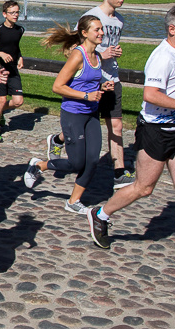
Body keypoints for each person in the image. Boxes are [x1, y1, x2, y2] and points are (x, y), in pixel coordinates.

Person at [86, 6, 175, 270]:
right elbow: (151, 95)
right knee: (144, 188)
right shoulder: (162, 57)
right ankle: (100, 214)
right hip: (155, 131)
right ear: (172, 29)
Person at [23, 16, 114, 213]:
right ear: (84, 33)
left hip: (91, 114)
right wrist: (86, 95)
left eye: (101, 29)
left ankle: (73, 201)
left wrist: (102, 87)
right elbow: (57, 86)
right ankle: (39, 166)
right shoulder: (78, 55)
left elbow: (86, 82)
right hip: (73, 114)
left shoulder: (97, 56)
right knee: (76, 163)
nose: (101, 33)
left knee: (92, 161)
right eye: (97, 30)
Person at [50, 0, 132, 186]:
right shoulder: (91, 17)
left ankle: (119, 171)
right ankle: (58, 139)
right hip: (90, 81)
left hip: (111, 78)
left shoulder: (119, 20)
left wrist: (114, 53)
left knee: (116, 125)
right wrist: (102, 55)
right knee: (84, 122)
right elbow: (74, 50)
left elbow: (109, 45)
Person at [0, 0, 24, 138]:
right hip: (0, 69)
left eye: (17, 12)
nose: (15, 15)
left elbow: (15, 46)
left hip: (13, 70)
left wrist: (20, 57)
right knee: (2, 99)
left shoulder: (20, 30)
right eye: (12, 12)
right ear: (4, 14)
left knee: (18, 101)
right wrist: (0, 54)